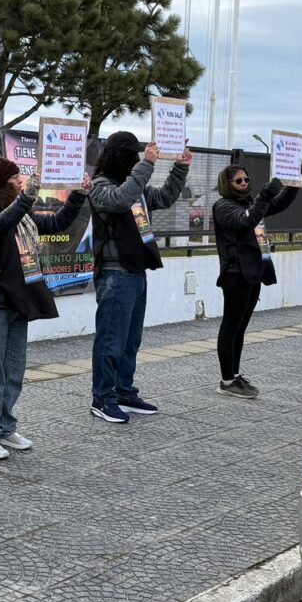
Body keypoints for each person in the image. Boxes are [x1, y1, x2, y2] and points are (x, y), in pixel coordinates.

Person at [0, 159, 89, 459]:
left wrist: (77, 195)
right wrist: (26, 197)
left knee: (13, 372)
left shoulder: (22, 214)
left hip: (19, 301)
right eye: (16, 176)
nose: (21, 179)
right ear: (3, 182)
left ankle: (5, 427)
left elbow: (55, 224)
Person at [87, 133, 191, 423]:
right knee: (111, 339)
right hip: (115, 272)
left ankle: (123, 391)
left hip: (136, 269)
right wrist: (146, 164)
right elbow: (120, 201)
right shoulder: (100, 186)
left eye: (139, 155)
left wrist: (180, 167)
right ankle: (103, 398)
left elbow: (166, 196)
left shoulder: (137, 187)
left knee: (131, 339)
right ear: (119, 156)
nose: (136, 159)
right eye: (132, 155)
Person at [211, 165, 302, 398]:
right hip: (235, 274)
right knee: (230, 327)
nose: (243, 183)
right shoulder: (223, 206)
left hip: (253, 273)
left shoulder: (248, 204)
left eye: (246, 179)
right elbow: (245, 221)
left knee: (240, 328)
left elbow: (277, 204)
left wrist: (294, 181)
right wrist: (263, 196)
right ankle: (226, 380)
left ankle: (235, 374)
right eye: (237, 180)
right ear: (226, 184)